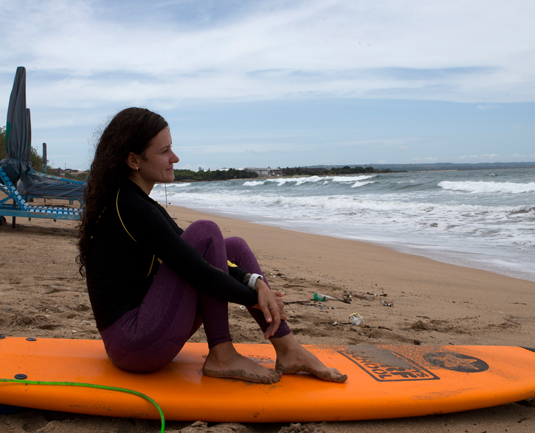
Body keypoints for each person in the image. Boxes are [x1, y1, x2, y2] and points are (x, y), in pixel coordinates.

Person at [77, 107, 347, 384]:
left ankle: (288, 349)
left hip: (142, 335)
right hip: (134, 344)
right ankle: (222, 353)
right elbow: (198, 270)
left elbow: (195, 257)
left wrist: (256, 283)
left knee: (234, 247)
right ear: (134, 160)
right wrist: (256, 297)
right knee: (205, 231)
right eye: (164, 151)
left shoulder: (134, 202)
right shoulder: (130, 206)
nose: (175, 158)